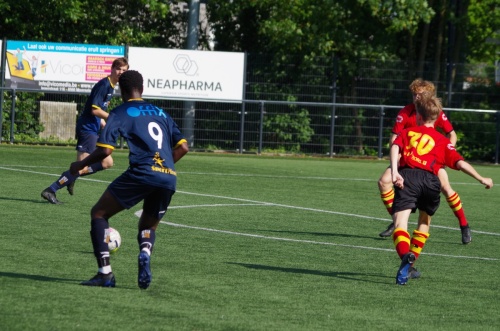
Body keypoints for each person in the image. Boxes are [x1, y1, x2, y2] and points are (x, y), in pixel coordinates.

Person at [69, 70, 189, 288]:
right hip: (168, 177)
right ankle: (145, 251)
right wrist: (164, 166)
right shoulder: (160, 112)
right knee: (147, 227)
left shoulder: (120, 112)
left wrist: (80, 165)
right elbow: (183, 147)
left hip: (142, 173)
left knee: (99, 213)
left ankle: (105, 273)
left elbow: (105, 151)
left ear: (121, 91)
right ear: (141, 89)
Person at [390, 93, 493, 285]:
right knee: (424, 220)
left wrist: (395, 172)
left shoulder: (408, 132)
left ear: (419, 116)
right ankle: (411, 262)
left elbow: (395, 147)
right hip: (431, 181)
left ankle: (406, 257)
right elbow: (460, 163)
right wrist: (481, 178)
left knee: (400, 224)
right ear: (437, 119)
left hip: (409, 176)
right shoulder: (443, 140)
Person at [378, 78, 473, 245]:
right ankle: (397, 219)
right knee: (384, 181)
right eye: (414, 94)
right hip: (408, 157)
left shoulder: (433, 112)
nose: (415, 97)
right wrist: (398, 155)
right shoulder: (405, 112)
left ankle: (464, 225)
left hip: (430, 159)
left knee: (446, 188)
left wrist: (443, 152)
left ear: (428, 95)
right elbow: (394, 137)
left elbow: (452, 134)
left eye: (419, 94)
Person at [41, 57, 129, 204]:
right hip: (87, 129)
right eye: (118, 69)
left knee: (107, 162)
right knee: (83, 166)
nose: (121, 72)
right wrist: (112, 119)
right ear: (112, 69)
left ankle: (70, 177)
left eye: (124, 70)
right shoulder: (104, 84)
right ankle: (52, 189)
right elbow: (94, 110)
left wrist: (103, 122)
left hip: (92, 128)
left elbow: (97, 110)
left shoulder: (111, 86)